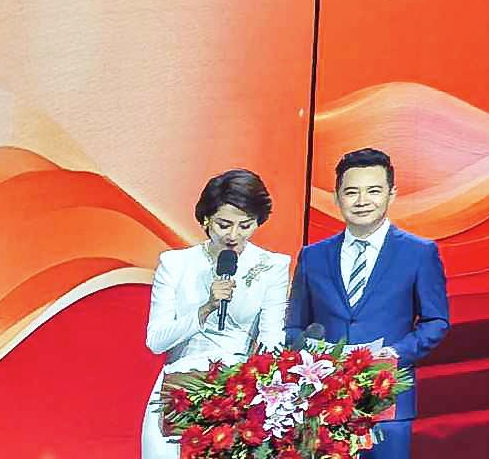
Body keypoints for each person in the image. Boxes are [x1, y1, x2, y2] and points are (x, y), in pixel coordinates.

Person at [285, 146, 450, 459]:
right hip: (323, 403)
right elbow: (294, 326)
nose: (362, 201)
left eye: (373, 191)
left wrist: (395, 353)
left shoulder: (419, 252)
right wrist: (313, 359)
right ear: (337, 198)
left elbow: (436, 321)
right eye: (351, 192)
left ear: (391, 194)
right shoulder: (312, 256)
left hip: (388, 399)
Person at [143, 168, 288, 459]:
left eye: (245, 226)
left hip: (238, 391)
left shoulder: (272, 266)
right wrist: (205, 308)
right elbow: (156, 341)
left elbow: (272, 341)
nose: (233, 236)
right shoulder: (175, 264)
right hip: (179, 388)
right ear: (206, 219)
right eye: (224, 224)